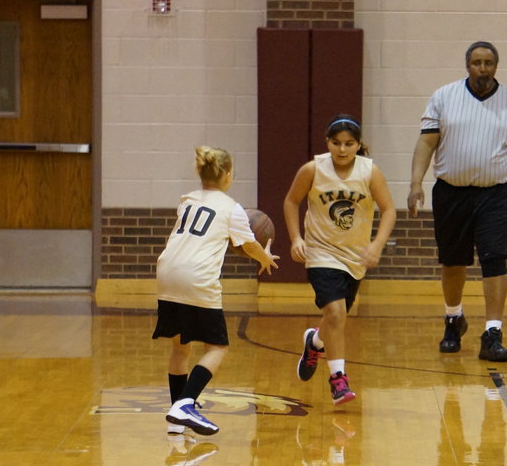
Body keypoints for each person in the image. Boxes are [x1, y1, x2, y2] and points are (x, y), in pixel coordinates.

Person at [408, 41, 507, 362]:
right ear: (467, 65)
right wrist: (416, 183)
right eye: (477, 63)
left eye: (488, 63)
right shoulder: (444, 97)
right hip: (451, 191)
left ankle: (493, 332)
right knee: (453, 261)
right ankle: (453, 320)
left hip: (496, 193)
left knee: (494, 258)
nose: (483, 69)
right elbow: (426, 143)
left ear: (496, 67)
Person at [154, 146, 279, 436]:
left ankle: (177, 417)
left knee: (180, 347)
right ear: (228, 175)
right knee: (217, 346)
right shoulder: (231, 208)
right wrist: (265, 257)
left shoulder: (187, 201)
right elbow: (248, 245)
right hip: (197, 277)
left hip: (167, 274)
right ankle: (185, 403)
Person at [284, 114, 397, 404]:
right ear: (328, 143)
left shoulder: (370, 172)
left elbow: (388, 210)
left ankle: (316, 342)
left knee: (336, 317)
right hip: (321, 252)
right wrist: (297, 238)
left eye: (349, 144)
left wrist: (377, 244)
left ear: (358, 144)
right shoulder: (313, 169)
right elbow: (291, 201)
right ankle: (338, 380)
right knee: (335, 313)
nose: (342, 150)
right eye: (336, 143)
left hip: (355, 256)